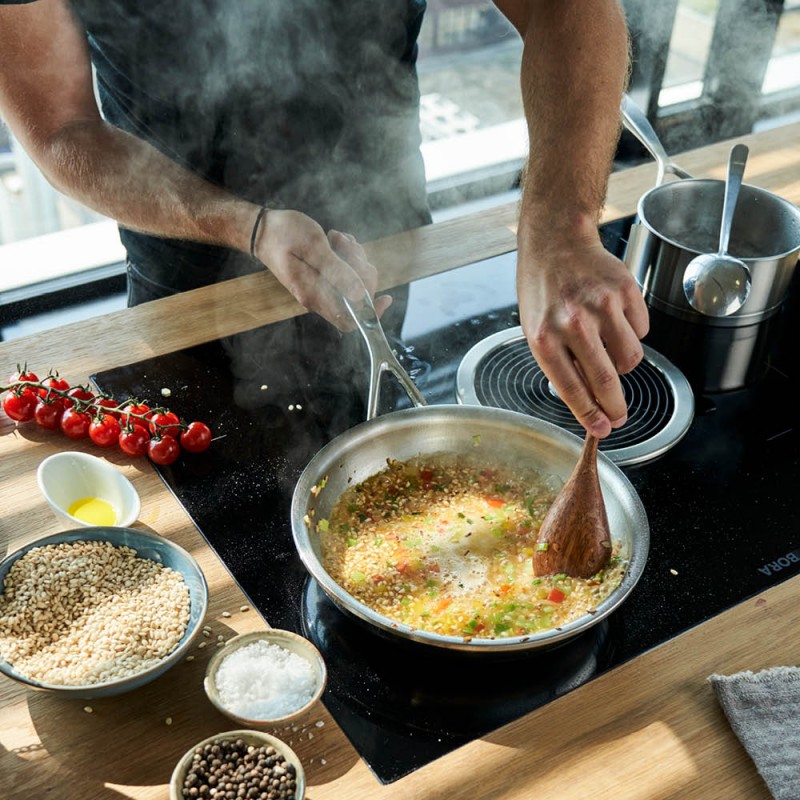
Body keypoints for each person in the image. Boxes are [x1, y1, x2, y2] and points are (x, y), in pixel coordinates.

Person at [0, 0, 648, 438]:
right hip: (188, 285)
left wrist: (560, 225)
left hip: (388, 253)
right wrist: (246, 225)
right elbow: (60, 130)